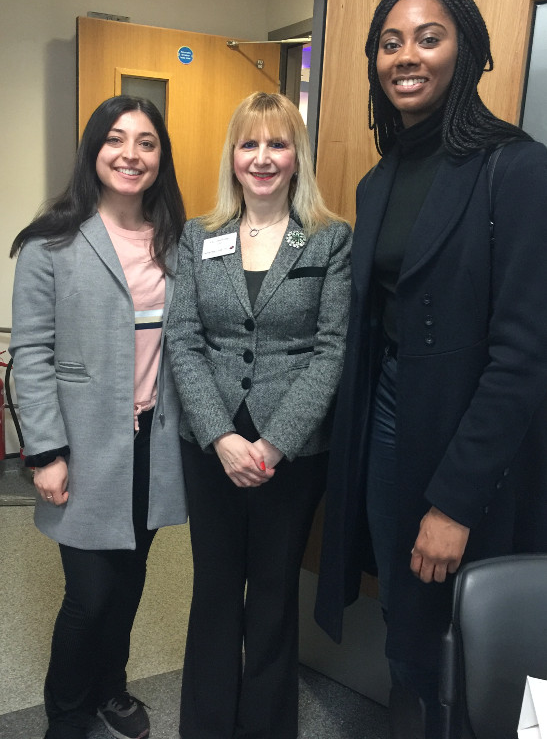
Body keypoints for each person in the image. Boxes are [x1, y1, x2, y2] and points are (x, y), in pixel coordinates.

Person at [314, 0, 547, 739]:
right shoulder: (376, 181)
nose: (406, 56)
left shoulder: (515, 169)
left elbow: (523, 354)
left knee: (493, 656)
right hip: (389, 429)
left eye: (428, 36)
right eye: (390, 41)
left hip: (478, 452)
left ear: (467, 50)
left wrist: (452, 502)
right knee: (411, 632)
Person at [166, 91, 351, 739]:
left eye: (277, 144)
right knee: (216, 592)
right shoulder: (200, 235)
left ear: (296, 155)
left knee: (273, 595)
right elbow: (182, 338)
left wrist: (272, 442)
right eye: (250, 144)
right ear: (234, 156)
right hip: (208, 444)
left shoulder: (329, 240)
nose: (263, 157)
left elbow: (332, 351)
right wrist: (220, 434)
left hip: (292, 453)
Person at [9, 95, 187, 739]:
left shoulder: (179, 241)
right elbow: (30, 354)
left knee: (132, 581)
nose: (130, 155)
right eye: (116, 139)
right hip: (84, 448)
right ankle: (67, 712)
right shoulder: (52, 242)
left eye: (146, 142)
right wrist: (46, 452)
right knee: (89, 595)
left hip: (155, 446)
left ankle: (113, 688)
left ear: (160, 157)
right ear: (94, 150)